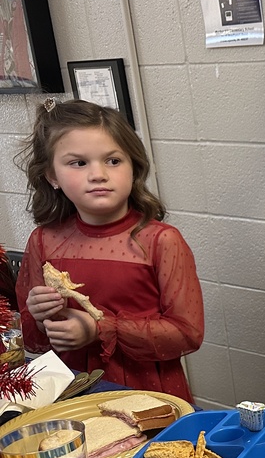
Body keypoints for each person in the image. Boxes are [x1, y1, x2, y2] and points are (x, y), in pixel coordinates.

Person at [14, 99, 203, 402]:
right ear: (52, 176)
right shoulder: (43, 241)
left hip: (151, 395)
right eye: (79, 163)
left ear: (134, 166)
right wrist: (39, 316)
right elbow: (32, 340)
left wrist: (99, 329)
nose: (98, 174)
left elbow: (187, 334)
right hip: (73, 393)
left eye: (113, 161)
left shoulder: (161, 241)